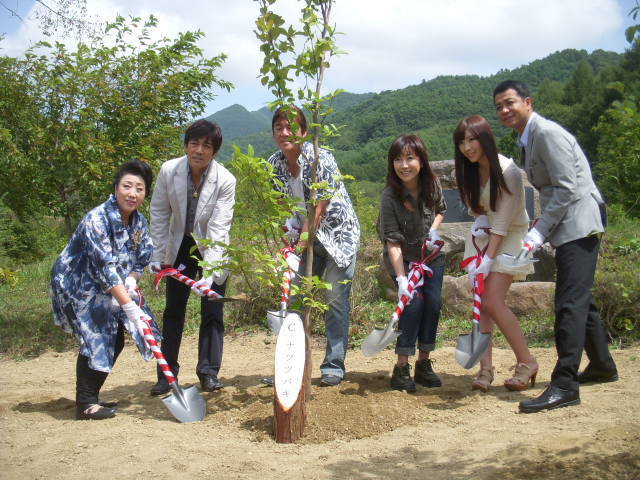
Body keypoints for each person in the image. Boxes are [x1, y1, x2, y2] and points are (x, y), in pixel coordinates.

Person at [493, 80, 618, 413]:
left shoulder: (546, 133)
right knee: (579, 299)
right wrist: (541, 229)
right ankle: (603, 364)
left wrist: (538, 232)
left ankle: (564, 384)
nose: (505, 110)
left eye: (510, 103)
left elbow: (565, 188)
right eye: (499, 106)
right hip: (567, 228)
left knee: (568, 303)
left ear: (528, 102)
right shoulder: (528, 138)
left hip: (579, 223)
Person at [51, 160, 158, 420]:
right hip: (78, 284)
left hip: (113, 286)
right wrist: (129, 306)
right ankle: (85, 403)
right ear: (116, 187)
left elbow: (142, 258)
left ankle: (91, 396)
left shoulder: (139, 222)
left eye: (139, 188)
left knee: (117, 337)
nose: (132, 193)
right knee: (98, 335)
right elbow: (105, 267)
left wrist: (132, 280)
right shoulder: (96, 219)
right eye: (127, 186)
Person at [267, 105, 360, 387]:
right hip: (303, 239)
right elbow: (279, 208)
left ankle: (333, 365)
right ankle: (291, 367)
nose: (285, 133)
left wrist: (299, 246)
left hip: (337, 238)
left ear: (304, 132)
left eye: (292, 127)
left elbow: (319, 208)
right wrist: (287, 243)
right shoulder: (275, 164)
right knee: (295, 301)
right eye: (279, 127)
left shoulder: (321, 159)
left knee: (334, 300)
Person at [149, 119, 236, 395]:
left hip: (212, 247)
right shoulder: (168, 170)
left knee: (212, 310)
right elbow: (160, 213)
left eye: (206, 146)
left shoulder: (225, 180)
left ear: (215, 151)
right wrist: (156, 254)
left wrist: (209, 275)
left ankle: (208, 373)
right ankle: (166, 374)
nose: (199, 150)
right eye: (194, 143)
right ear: (187, 145)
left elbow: (220, 229)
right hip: (181, 246)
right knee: (174, 309)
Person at [454, 115, 537, 393]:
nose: (467, 147)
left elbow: (503, 222)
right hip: (484, 236)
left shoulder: (509, 171)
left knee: (492, 300)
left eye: (472, 139)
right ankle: (485, 368)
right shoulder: (470, 170)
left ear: (485, 138)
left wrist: (488, 260)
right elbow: (478, 210)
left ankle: (526, 361)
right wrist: (479, 225)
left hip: (509, 236)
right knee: (481, 305)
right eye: (462, 142)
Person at [377, 134, 447, 393]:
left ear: (421, 160)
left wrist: (434, 231)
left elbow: (441, 209)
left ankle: (424, 363)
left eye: (409, 158)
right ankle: (401, 366)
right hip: (403, 259)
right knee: (413, 303)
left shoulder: (432, 185)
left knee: (433, 305)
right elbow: (392, 242)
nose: (403, 165)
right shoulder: (389, 197)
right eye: (397, 159)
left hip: (432, 256)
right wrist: (402, 280)